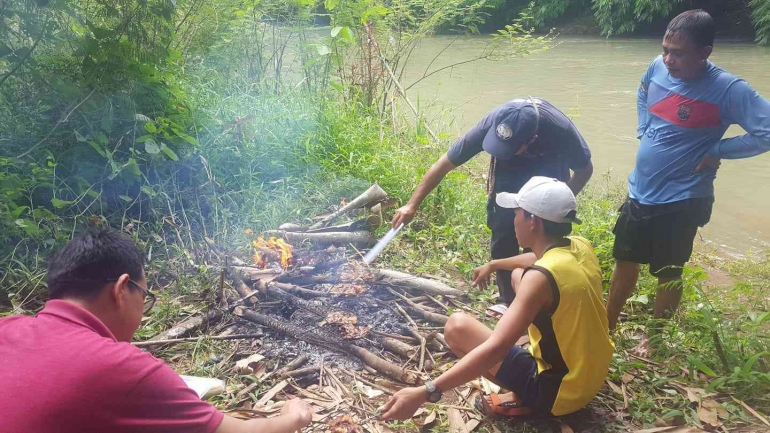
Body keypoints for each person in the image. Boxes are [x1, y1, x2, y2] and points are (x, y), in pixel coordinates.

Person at [0, 229, 313, 433]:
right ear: (123, 289)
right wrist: (294, 417)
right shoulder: (118, 366)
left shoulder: (7, 327)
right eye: (145, 297)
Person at [381, 177, 614, 420]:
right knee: (517, 274)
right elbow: (534, 259)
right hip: (588, 378)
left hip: (557, 393)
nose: (513, 220)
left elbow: (495, 350)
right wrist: (493, 264)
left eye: (517, 213)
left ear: (533, 221)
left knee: (457, 327)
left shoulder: (540, 279)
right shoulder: (579, 246)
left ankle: (528, 399)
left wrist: (425, 392)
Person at [606, 9, 770, 352]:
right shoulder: (656, 67)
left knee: (669, 270)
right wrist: (643, 127)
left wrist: (719, 150)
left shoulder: (728, 89)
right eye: (665, 49)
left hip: (682, 197)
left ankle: (656, 338)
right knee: (625, 257)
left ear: (705, 52)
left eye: (677, 53)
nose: (667, 59)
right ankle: (607, 323)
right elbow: (641, 92)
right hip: (641, 188)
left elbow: (766, 132)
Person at [392, 98, 593, 305]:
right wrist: (411, 205)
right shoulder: (493, 121)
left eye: (508, 147)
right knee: (502, 235)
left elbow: (585, 170)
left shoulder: (560, 129)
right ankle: (508, 302)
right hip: (507, 179)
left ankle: (538, 305)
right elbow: (444, 164)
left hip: (546, 182)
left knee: (542, 245)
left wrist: (555, 205)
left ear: (530, 140)